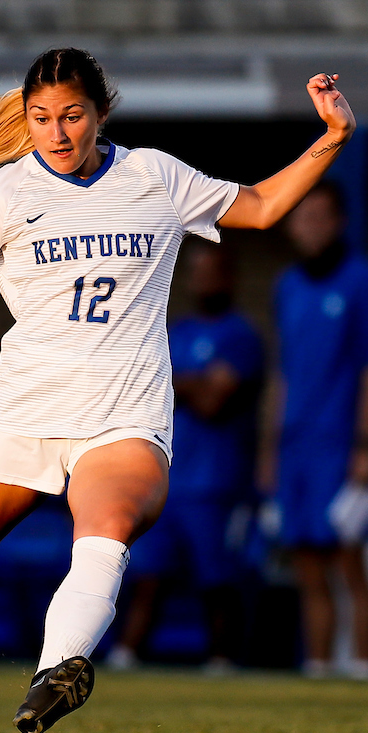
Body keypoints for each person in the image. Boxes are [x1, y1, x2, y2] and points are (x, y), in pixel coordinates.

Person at [0, 47, 358, 733]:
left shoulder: (153, 176)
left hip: (124, 414)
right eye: (41, 117)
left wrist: (333, 135)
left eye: (72, 115)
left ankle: (57, 672)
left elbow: (261, 206)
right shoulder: (3, 196)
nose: (58, 132)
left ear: (101, 113)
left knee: (107, 526)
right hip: (25, 413)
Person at [108, 240, 263, 671]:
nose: (202, 281)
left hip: (216, 482)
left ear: (229, 277)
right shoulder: (174, 332)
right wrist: (194, 382)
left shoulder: (241, 336)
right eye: (196, 272)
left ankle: (222, 662)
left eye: (211, 272)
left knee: (217, 580)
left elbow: (214, 402)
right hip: (164, 478)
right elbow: (141, 389)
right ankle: (126, 657)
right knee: (147, 575)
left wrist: (174, 381)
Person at [259, 181, 368, 679]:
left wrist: (365, 446)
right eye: (302, 216)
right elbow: (284, 372)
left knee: (350, 563)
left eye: (320, 217)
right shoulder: (286, 285)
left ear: (339, 223)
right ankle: (319, 668)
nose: (310, 226)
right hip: (295, 446)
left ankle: (365, 669)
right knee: (307, 564)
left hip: (339, 443)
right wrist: (270, 450)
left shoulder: (363, 281)